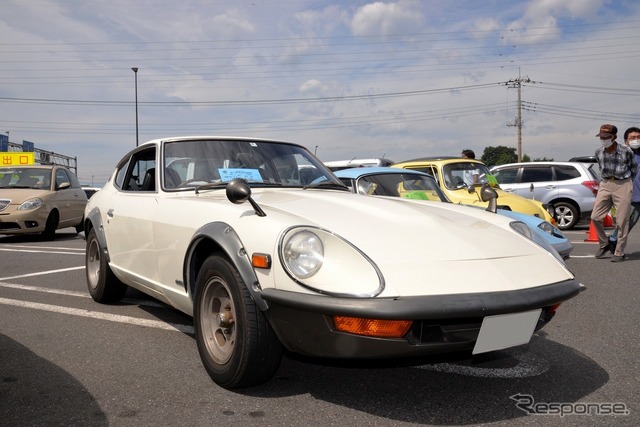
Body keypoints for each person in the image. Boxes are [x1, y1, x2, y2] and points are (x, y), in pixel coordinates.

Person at [592, 124, 638, 262]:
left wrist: (627, 183)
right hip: (606, 183)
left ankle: (619, 252)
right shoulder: (599, 152)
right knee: (595, 217)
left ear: (614, 137)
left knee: (622, 220)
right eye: (601, 137)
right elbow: (601, 166)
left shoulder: (626, 151)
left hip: (623, 184)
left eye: (606, 137)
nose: (603, 140)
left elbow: (633, 168)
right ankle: (604, 244)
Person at [607, 126, 640, 252]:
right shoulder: (619, 154)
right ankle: (614, 240)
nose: (636, 140)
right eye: (633, 138)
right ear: (626, 140)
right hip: (631, 195)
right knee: (627, 223)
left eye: (638, 137)